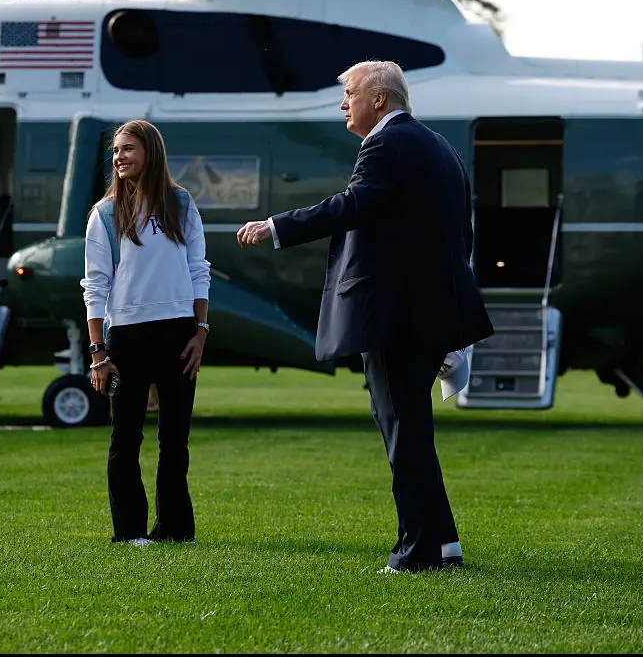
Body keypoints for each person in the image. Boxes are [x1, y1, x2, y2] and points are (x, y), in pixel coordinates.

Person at [237, 60, 494, 573]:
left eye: (349, 93)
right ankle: (443, 544)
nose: (342, 103)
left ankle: (415, 553)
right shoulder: (439, 146)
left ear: (379, 99)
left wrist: (276, 226)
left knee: (403, 430)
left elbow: (353, 205)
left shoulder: (385, 144)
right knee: (412, 428)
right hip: (428, 309)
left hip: (396, 315)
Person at [80, 119, 212, 546]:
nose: (119, 157)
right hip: (127, 336)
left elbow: (199, 270)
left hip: (179, 332)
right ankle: (130, 531)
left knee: (176, 438)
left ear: (150, 152)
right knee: (126, 436)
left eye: (128, 149)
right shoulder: (103, 214)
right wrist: (99, 352)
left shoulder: (182, 203)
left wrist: (200, 330)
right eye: (116, 151)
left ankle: (175, 530)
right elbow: (94, 285)